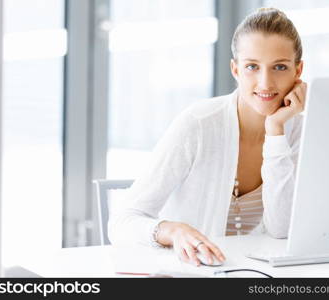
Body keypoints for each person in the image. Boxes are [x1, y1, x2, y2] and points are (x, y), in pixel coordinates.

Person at [109, 7, 307, 267]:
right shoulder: (199, 124)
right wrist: (173, 231)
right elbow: (122, 221)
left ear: (298, 70)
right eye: (252, 67)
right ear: (235, 70)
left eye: (279, 67)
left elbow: (282, 230)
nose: (265, 83)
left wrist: (275, 131)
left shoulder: (299, 132)